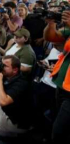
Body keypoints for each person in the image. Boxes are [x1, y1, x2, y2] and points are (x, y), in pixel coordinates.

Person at [43, 11, 70, 143]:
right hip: (61, 83)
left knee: (60, 130)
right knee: (55, 120)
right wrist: (51, 23)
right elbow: (51, 37)